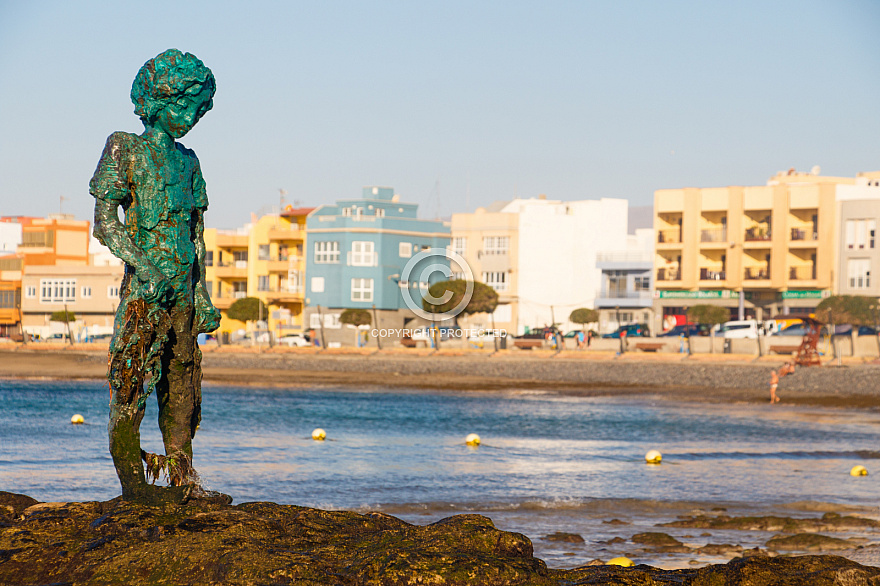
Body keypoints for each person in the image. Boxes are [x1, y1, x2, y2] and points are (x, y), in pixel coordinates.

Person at [90, 49, 221, 504]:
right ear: (156, 100)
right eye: (181, 105)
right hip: (145, 292)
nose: (189, 117)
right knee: (131, 381)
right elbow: (105, 222)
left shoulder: (190, 162)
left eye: (196, 108)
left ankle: (184, 478)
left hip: (183, 293)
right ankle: (133, 484)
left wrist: (201, 294)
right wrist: (144, 265)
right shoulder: (124, 146)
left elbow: (196, 235)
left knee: (182, 382)